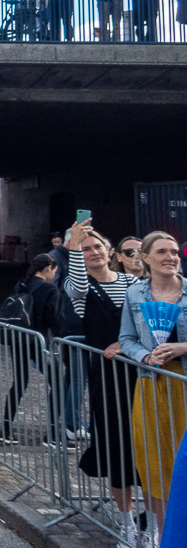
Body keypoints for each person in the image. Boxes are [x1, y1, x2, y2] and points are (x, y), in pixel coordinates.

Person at [62, 220, 143, 544]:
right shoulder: (80, 288)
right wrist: (73, 245)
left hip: (141, 374)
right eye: (86, 249)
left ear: (111, 252)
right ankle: (125, 520)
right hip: (107, 377)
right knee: (115, 444)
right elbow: (77, 283)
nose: (93, 252)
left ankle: (151, 516)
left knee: (147, 442)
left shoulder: (132, 283)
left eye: (98, 246)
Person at [118, 231, 187, 541]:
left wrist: (182, 347)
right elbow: (126, 339)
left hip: (184, 382)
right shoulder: (135, 295)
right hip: (151, 384)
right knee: (154, 461)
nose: (170, 257)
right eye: (162, 252)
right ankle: (161, 533)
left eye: (174, 251)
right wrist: (144, 355)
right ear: (145, 258)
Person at [0, 253, 72, 444]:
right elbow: (54, 320)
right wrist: (63, 340)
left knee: (20, 382)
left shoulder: (22, 284)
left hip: (19, 338)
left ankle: (5, 431)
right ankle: (53, 434)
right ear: (48, 268)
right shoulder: (50, 290)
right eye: (54, 271)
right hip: (39, 341)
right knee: (57, 383)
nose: (54, 275)